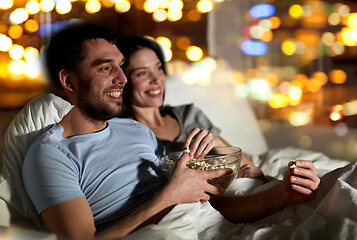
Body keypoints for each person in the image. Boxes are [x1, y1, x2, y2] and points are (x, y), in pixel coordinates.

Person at [21, 22, 320, 240]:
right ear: (69, 82)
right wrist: (172, 193)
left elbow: (207, 201)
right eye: (104, 68)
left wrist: (283, 194)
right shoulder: (49, 154)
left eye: (121, 67)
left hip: (216, 224)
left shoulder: (135, 132)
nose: (122, 79)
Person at [118, 36, 266, 181]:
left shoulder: (188, 115)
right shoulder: (126, 134)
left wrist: (215, 141)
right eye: (142, 73)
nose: (156, 79)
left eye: (158, 68)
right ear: (123, 82)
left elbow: (250, 170)